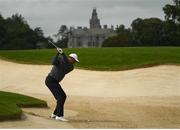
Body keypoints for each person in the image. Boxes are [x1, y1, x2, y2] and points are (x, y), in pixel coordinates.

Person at [45, 47, 79, 121]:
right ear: (71, 58)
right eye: (75, 60)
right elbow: (53, 62)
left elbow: (66, 64)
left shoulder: (71, 67)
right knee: (61, 97)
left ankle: (55, 114)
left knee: (62, 96)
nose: (75, 62)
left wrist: (62, 54)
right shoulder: (61, 59)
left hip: (54, 81)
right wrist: (58, 53)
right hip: (50, 80)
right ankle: (59, 116)